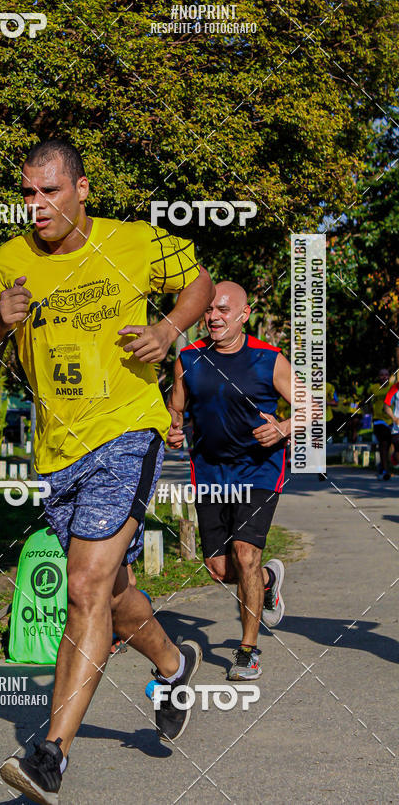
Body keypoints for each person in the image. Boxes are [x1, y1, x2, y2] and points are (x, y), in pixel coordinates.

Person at [0, 139, 215, 804]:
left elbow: (199, 283)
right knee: (111, 589)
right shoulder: (9, 262)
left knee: (84, 585)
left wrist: (171, 332)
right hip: (57, 451)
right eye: (27, 192)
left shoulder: (134, 241)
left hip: (127, 429)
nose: (35, 205)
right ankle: (171, 661)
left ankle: (50, 757)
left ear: (82, 189)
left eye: (48, 191)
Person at [167, 281, 291, 681]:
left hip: (258, 468)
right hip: (209, 471)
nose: (214, 317)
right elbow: (176, 407)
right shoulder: (188, 358)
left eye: (223, 310)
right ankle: (268, 582)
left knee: (245, 552)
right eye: (208, 310)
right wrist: (173, 428)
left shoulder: (268, 359)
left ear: (244, 314)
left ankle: (247, 650)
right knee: (222, 568)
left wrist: (284, 428)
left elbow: (311, 406)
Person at [368, 368, 394, 480]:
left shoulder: (393, 388)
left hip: (392, 420)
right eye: (381, 375)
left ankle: (382, 466)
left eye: (386, 375)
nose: (384, 377)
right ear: (378, 377)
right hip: (379, 420)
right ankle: (385, 471)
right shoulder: (373, 388)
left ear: (389, 376)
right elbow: (368, 403)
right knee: (383, 444)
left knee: (390, 445)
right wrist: (373, 414)